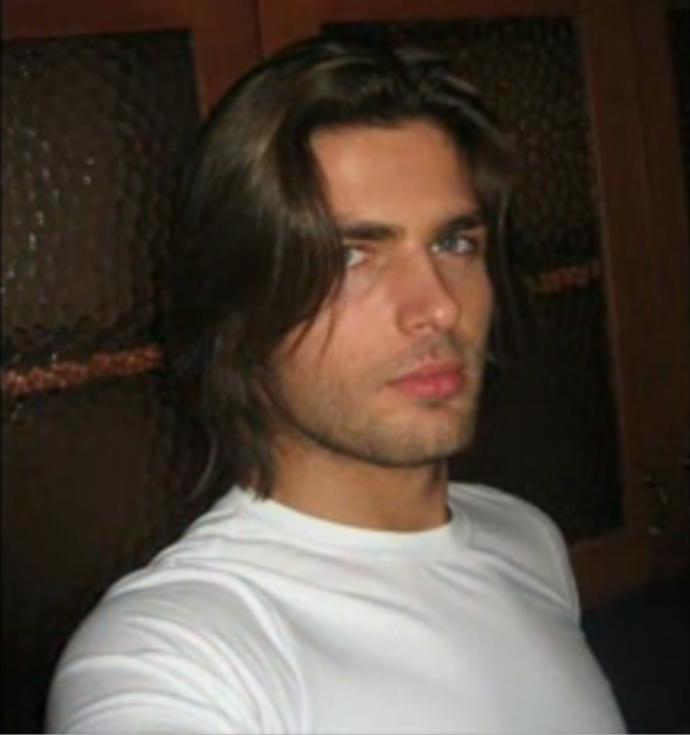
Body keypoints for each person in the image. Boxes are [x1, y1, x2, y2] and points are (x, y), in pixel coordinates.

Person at [46, 37, 625, 734]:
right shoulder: (177, 654)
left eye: (453, 243)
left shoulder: (524, 536)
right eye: (353, 256)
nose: (438, 307)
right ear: (238, 311)